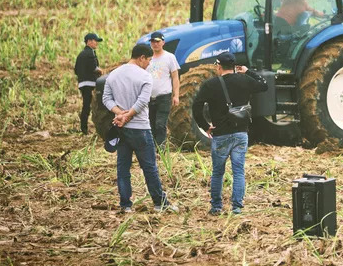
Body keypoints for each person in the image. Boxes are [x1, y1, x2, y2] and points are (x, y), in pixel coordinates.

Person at [191, 53, 269, 215]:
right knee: (238, 171)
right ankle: (237, 207)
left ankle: (216, 206)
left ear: (219, 66)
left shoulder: (210, 84)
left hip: (220, 134)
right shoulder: (245, 80)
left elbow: (196, 106)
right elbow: (263, 85)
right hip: (241, 133)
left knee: (218, 172)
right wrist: (248, 72)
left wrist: (205, 126)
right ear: (234, 67)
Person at [102, 44, 174, 213]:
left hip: (121, 128)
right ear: (141, 57)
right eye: (148, 60)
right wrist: (127, 115)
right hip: (140, 128)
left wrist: (119, 114)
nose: (149, 64)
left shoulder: (113, 74)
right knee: (149, 168)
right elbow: (142, 102)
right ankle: (159, 203)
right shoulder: (145, 76)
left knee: (123, 169)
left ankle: (125, 205)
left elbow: (106, 98)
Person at [146, 31, 180, 147]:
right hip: (149, 97)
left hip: (164, 96)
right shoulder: (147, 58)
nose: (155, 44)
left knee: (160, 124)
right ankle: (153, 148)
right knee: (150, 124)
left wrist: (176, 95)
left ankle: (161, 149)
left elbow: (175, 77)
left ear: (163, 42)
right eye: (152, 42)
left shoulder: (169, 57)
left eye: (157, 41)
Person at [74, 32, 103, 134]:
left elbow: (76, 70)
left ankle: (84, 128)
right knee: (95, 105)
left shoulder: (80, 54)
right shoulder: (91, 53)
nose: (96, 44)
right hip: (90, 83)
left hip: (82, 84)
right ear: (89, 41)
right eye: (95, 41)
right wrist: (101, 71)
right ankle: (88, 129)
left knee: (85, 106)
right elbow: (94, 68)